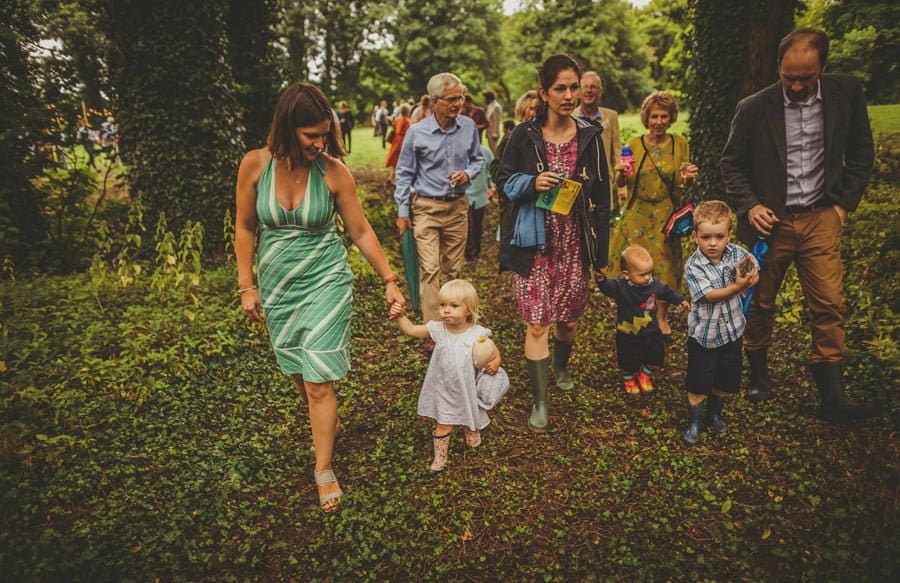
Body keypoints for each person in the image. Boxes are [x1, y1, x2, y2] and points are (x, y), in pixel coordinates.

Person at [235, 82, 405, 511]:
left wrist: (388, 278)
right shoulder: (255, 165)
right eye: (310, 135)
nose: (319, 142)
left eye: (323, 134)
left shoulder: (333, 172)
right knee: (299, 370)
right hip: (278, 285)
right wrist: (246, 285)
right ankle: (323, 417)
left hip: (326, 279)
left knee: (318, 381)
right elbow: (245, 226)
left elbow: (361, 231)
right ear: (287, 128)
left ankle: (323, 468)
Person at [720, 28, 876, 422]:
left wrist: (843, 206)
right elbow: (731, 164)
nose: (796, 84)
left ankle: (832, 393)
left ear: (823, 67)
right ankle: (757, 375)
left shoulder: (847, 94)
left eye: (806, 77)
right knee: (760, 301)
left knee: (828, 302)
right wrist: (750, 205)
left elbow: (862, 151)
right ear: (778, 67)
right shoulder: (754, 108)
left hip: (821, 215)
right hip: (769, 223)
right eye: (789, 76)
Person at [495, 53, 611, 432]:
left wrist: (602, 253)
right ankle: (540, 401)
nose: (569, 95)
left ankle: (561, 364)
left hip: (574, 242)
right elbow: (502, 177)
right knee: (536, 324)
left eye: (574, 87)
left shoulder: (590, 136)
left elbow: (604, 198)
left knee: (568, 320)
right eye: (560, 88)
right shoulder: (522, 135)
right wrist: (532, 183)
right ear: (543, 92)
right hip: (535, 242)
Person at [393, 72, 485, 345]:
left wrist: (467, 173)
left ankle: (455, 323)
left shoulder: (468, 127)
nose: (458, 104)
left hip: (457, 208)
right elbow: (404, 173)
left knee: (453, 270)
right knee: (430, 270)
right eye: (452, 99)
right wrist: (402, 212)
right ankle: (435, 332)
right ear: (435, 102)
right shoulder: (416, 132)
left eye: (461, 98)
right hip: (426, 208)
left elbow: (478, 160)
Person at [389, 279, 508, 472]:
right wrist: (401, 316)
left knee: (470, 410)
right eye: (442, 305)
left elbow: (492, 352)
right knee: (444, 424)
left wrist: (495, 362)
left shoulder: (477, 333)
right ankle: (440, 457)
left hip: (467, 386)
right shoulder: (438, 329)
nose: (446, 310)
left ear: (469, 309)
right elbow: (411, 330)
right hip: (444, 388)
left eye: (453, 306)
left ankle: (472, 430)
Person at [608, 91, 698, 339]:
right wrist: (620, 173)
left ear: (671, 118)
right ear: (646, 118)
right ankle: (632, 313)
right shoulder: (635, 144)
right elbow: (621, 181)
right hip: (637, 213)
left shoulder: (679, 144)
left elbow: (682, 183)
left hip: (665, 215)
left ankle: (660, 318)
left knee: (666, 267)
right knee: (634, 266)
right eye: (654, 116)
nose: (658, 121)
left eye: (664, 116)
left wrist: (688, 179)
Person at [681, 201, 759, 445]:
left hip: (732, 331)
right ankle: (695, 421)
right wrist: (738, 286)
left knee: (725, 378)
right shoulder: (694, 266)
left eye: (719, 236)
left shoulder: (737, 253)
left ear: (729, 235)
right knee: (698, 381)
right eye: (705, 237)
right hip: (704, 336)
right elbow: (709, 296)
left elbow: (753, 268)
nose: (712, 243)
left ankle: (714, 414)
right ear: (695, 236)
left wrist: (752, 277)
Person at [597, 245, 688, 397]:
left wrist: (680, 300)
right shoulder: (621, 287)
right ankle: (629, 378)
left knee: (655, 354)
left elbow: (666, 291)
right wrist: (600, 279)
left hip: (651, 331)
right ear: (627, 274)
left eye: (649, 273)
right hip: (628, 334)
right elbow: (607, 287)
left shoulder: (653, 284)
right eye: (642, 274)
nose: (647, 277)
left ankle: (645, 375)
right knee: (628, 359)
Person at [574, 72, 622, 212]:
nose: (589, 90)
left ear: (600, 91)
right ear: (579, 91)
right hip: (578, 182)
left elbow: (616, 151)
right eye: (585, 87)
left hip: (603, 182)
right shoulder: (570, 117)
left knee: (603, 226)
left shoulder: (611, 116)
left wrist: (621, 188)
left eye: (593, 87)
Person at [465, 144, 495, 261]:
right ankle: (467, 253)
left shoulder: (486, 152)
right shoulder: (461, 150)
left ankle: (476, 252)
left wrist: (492, 187)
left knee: (477, 225)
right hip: (464, 195)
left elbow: (492, 172)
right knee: (467, 225)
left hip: (481, 195)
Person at [385, 103, 411, 182]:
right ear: (408, 112)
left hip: (396, 141)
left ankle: (392, 177)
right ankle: (396, 178)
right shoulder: (406, 121)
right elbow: (406, 132)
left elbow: (395, 128)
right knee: (401, 160)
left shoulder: (397, 119)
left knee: (396, 161)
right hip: (402, 141)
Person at [484, 90, 503, 156]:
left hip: (493, 133)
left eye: (485, 98)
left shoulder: (496, 107)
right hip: (489, 132)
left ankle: (497, 164)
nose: (484, 100)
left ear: (489, 98)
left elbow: (496, 121)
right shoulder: (490, 106)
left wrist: (495, 133)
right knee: (491, 150)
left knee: (494, 150)